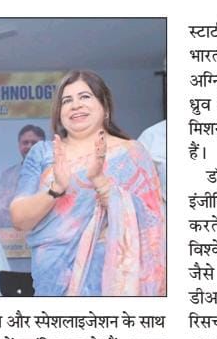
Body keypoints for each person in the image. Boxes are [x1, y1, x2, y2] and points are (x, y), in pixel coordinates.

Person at [9, 70, 165, 296]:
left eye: (85, 97)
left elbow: (152, 223)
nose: (75, 105)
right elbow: (20, 219)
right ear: (59, 112)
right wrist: (56, 189)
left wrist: (99, 180)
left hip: (111, 282)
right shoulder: (43, 153)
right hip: (53, 279)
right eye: (67, 100)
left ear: (105, 107)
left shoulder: (130, 153)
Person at [0, 124, 46, 227]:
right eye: (25, 143)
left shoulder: (52, 172)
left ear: (44, 146)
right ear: (19, 145)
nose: (29, 146)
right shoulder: (8, 174)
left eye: (34, 143)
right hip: (11, 232)